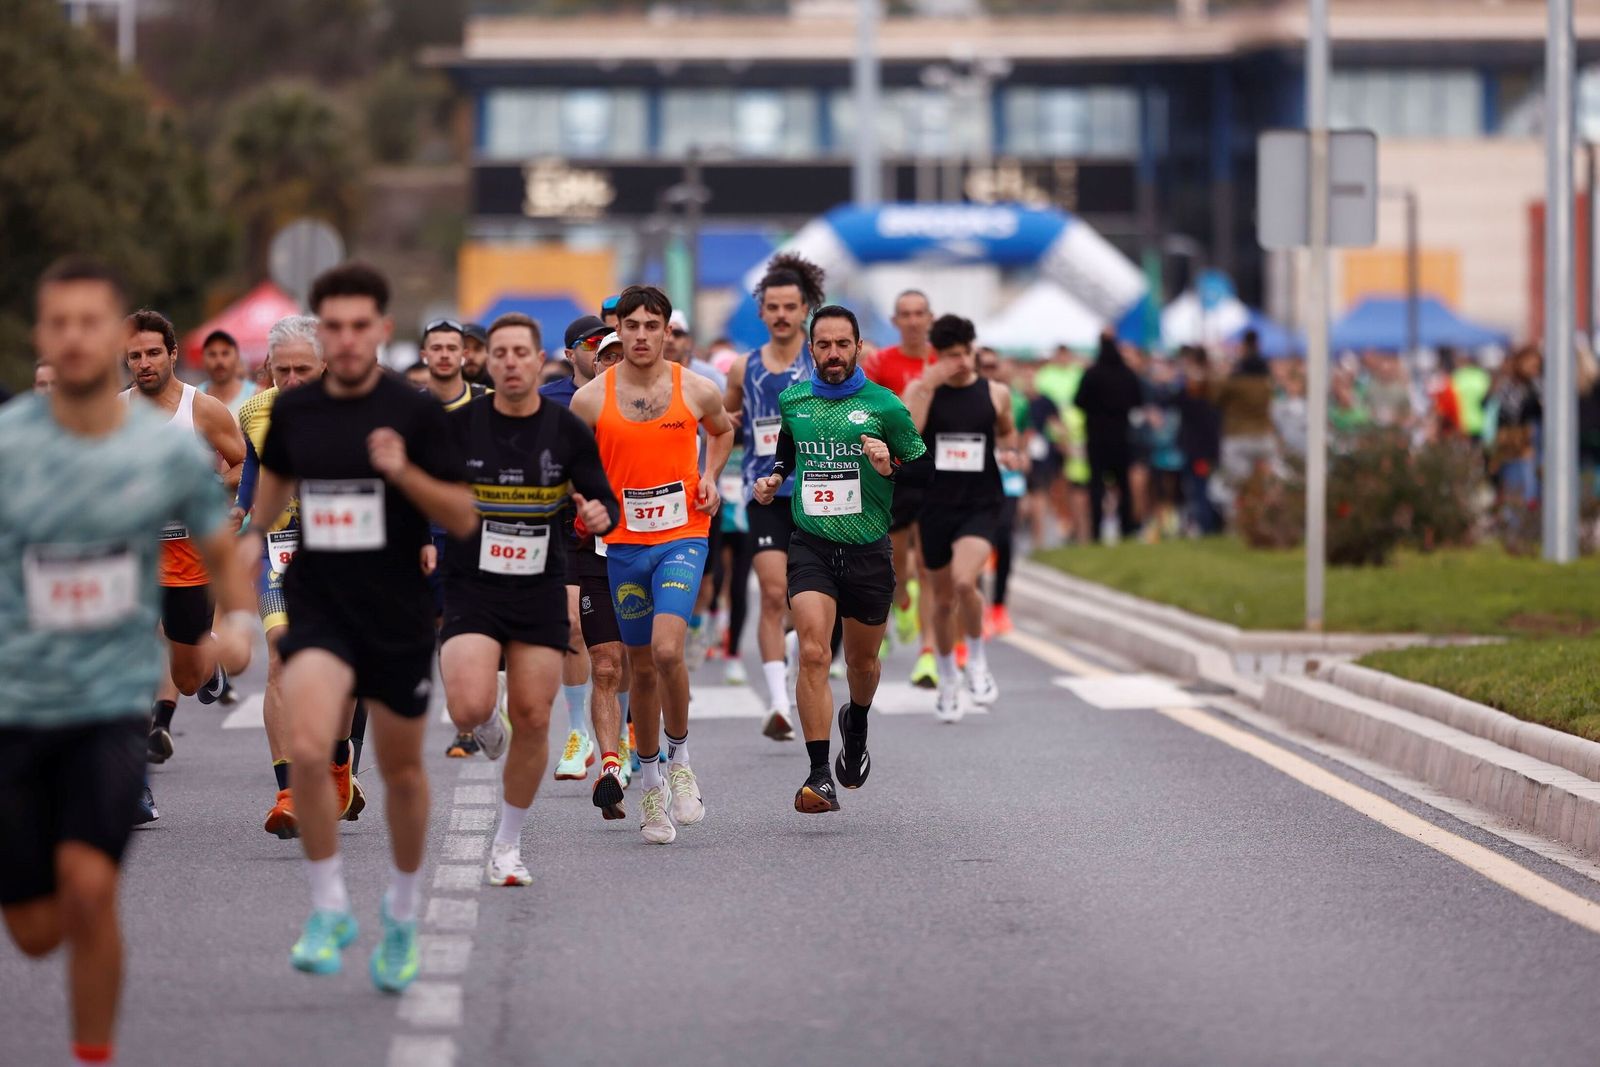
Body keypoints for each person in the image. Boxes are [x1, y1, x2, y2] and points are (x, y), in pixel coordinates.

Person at [1, 256, 255, 1067]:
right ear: (42, 337)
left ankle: (93, 1051)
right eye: (59, 323)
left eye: (92, 322)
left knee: (92, 887)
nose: (77, 338)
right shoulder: (8, 445)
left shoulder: (163, 448)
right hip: (17, 705)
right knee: (37, 930)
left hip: (110, 705)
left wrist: (242, 618)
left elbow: (224, 541)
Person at [244, 262, 478, 991]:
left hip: (396, 611)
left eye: (356, 326)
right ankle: (329, 906)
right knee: (312, 751)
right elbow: (267, 505)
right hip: (318, 602)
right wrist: (242, 559)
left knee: (403, 771)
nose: (345, 340)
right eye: (332, 326)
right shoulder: (294, 414)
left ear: (380, 330)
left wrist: (403, 473)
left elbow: (463, 514)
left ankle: (403, 914)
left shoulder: (414, 416)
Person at [440, 312, 620, 884]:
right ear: (487, 362)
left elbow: (603, 500)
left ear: (539, 358)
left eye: (522, 352)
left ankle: (507, 847)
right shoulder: (459, 426)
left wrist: (598, 512)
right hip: (474, 585)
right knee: (468, 710)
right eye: (501, 353)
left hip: (541, 585)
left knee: (535, 717)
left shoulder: (565, 428)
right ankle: (485, 719)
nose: (512, 362)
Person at [571, 285, 733, 845]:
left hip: (683, 535)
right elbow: (574, 465)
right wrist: (586, 502)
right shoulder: (591, 399)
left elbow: (723, 430)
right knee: (638, 667)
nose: (641, 335)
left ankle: (682, 757)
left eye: (651, 325)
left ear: (668, 331)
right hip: (623, 545)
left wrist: (709, 476)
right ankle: (651, 783)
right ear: (621, 333)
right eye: (632, 326)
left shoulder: (697, 389)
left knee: (667, 649)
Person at [753, 305, 929, 812]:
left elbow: (924, 471)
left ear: (858, 348)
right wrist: (774, 476)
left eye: (842, 345)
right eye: (824, 345)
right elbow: (789, 450)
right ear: (811, 350)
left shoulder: (885, 406)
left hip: (869, 547)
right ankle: (817, 775)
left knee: (862, 662)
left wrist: (889, 464)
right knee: (812, 651)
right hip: (810, 542)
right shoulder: (795, 399)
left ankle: (858, 722)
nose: (833, 354)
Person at [234, 316, 369, 839]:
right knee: (280, 659)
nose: (291, 381)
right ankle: (289, 790)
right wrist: (243, 517)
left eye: (303, 371)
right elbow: (253, 473)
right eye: (281, 370)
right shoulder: (254, 410)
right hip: (282, 552)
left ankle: (339, 762)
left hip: (348, 551)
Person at [123, 309, 247, 772]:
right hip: (134, 558)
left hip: (189, 555)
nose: (144, 363)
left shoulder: (202, 409)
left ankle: (206, 657)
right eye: (134, 356)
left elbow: (241, 465)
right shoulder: (114, 412)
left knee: (188, 678)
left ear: (173, 354)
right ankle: (130, 779)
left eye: (153, 352)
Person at [723, 254, 823, 741]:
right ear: (761, 312)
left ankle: (793, 656)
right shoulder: (744, 369)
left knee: (806, 603)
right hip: (764, 493)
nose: (781, 314)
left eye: (790, 306)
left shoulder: (821, 361)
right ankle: (779, 704)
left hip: (821, 492)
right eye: (773, 307)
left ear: (805, 309)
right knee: (770, 592)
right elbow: (723, 425)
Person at [904, 315, 1018, 723]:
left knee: (965, 581)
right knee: (941, 599)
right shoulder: (924, 391)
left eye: (966, 353)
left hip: (982, 503)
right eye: (952, 356)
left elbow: (1007, 432)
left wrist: (1009, 451)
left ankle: (977, 661)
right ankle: (948, 675)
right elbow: (908, 436)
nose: (962, 362)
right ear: (938, 356)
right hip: (935, 505)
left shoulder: (996, 393)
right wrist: (928, 384)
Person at [541, 314, 615, 783]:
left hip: (618, 525)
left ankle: (622, 734)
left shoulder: (627, 394)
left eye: (603, 345)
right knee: (571, 626)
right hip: (565, 526)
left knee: (617, 646)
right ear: (570, 354)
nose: (596, 352)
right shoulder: (549, 399)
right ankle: (576, 733)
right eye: (587, 345)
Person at [417, 318, 492, 759]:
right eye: (436, 348)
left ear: (464, 355)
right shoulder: (411, 409)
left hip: (479, 533)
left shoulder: (486, 403)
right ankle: (466, 719)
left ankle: (483, 708)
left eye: (452, 347)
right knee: (444, 628)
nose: (445, 354)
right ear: (425, 355)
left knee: (477, 628)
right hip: (428, 537)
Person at [864, 290, 943, 687]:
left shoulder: (943, 361)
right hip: (896, 473)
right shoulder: (882, 362)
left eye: (919, 313)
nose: (913, 321)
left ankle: (927, 654)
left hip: (937, 475)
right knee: (896, 562)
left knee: (930, 565)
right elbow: (870, 412)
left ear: (931, 318)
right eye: (905, 314)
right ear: (895, 321)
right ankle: (902, 600)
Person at [1073, 332, 1143, 543]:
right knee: (1124, 486)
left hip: (1096, 438)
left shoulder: (1092, 374)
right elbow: (1137, 401)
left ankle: (1096, 532)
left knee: (1096, 487)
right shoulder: (1127, 374)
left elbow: (1078, 401)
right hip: (1121, 438)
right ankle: (1127, 529)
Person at [977, 348, 1027, 632]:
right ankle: (980, 606)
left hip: (1007, 477)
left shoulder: (1013, 399)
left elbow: (1021, 433)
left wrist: (1019, 454)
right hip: (976, 478)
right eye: (983, 366)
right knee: (976, 541)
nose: (989, 371)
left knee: (1005, 537)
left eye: (993, 366)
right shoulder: (965, 397)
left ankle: (999, 607)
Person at [197, 329, 257, 416]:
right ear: (203, 358)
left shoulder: (255, 396)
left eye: (225, 353)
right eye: (212, 354)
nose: (219, 361)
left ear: (237, 356)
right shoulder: (193, 398)